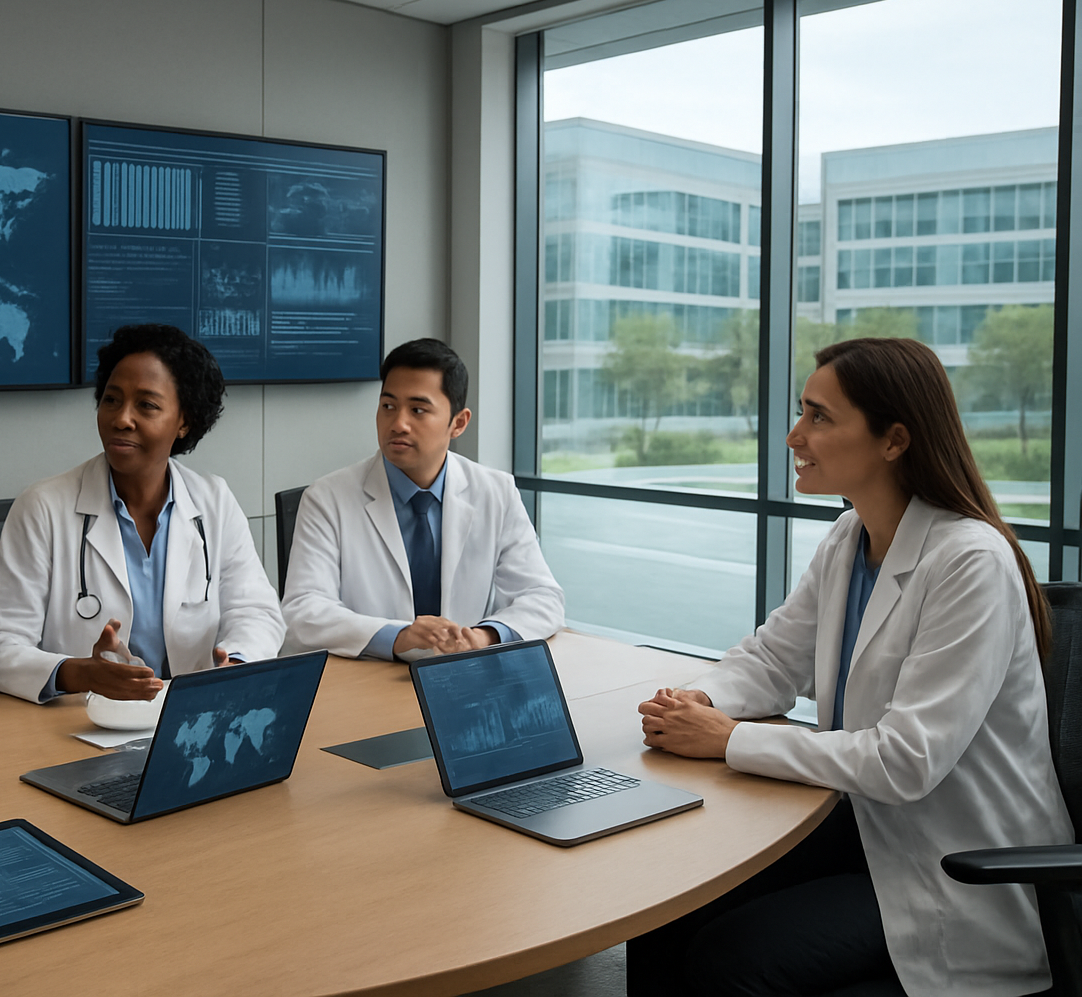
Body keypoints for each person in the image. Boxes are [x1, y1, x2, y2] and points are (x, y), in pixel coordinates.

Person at [632, 336, 1071, 997]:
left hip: (953, 867)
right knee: (665, 905)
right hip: (867, 831)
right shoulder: (849, 537)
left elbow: (906, 761)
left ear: (894, 441)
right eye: (802, 411)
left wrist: (728, 740)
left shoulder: (970, 561)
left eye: (819, 417)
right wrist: (698, 702)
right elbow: (774, 659)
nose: (794, 436)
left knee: (732, 959)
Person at [0, 323, 284, 702]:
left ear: (184, 420)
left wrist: (235, 663)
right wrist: (80, 673)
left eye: (146, 405)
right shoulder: (42, 507)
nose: (121, 418)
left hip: (188, 716)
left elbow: (256, 611)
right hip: (81, 721)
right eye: (111, 400)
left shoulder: (213, 500)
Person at [281, 338, 563, 660]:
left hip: (462, 672)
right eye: (388, 406)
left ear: (458, 423)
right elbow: (303, 611)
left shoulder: (496, 491)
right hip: (370, 673)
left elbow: (543, 597)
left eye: (418, 410)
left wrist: (483, 636)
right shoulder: (327, 498)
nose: (398, 424)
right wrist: (398, 636)